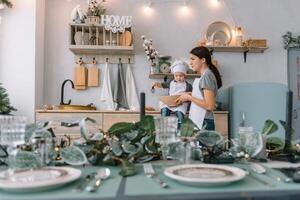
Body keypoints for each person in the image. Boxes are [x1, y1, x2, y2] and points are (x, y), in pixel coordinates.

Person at [176, 46, 222, 130]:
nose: (190, 63)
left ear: (203, 60)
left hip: (204, 122)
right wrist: (190, 94)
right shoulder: (204, 76)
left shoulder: (207, 76)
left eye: (193, 59)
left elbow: (209, 105)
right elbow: (203, 96)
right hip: (200, 121)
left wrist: (189, 97)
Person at [152, 60, 192, 127]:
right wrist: (156, 84)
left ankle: (180, 129)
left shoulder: (188, 85)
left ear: (185, 76)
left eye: (181, 76)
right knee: (164, 109)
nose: (178, 78)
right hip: (170, 102)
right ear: (174, 75)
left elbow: (190, 97)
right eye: (176, 76)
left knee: (180, 115)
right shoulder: (170, 82)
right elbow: (163, 85)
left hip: (181, 104)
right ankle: (163, 125)